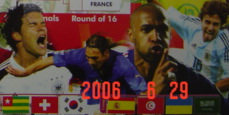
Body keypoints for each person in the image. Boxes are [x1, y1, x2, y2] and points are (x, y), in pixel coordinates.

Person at [125, 3, 229, 115]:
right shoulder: (115, 69)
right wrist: (152, 95)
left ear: (170, 35)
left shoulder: (190, 78)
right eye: (146, 29)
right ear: (131, 35)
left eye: (162, 30)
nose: (155, 37)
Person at [14, 33, 146, 97]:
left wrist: (146, 113)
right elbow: (49, 60)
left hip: (113, 109)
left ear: (106, 53)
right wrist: (27, 71)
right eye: (88, 57)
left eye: (95, 58)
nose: (90, 62)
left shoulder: (122, 64)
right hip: (86, 105)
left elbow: (143, 91)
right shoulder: (79, 55)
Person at [164, 0, 229, 94]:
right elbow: (165, 12)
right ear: (201, 20)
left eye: (215, 24)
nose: (210, 28)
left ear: (221, 25)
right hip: (189, 88)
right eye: (207, 22)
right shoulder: (192, 25)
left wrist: (206, 93)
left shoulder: (226, 45)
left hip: (211, 96)